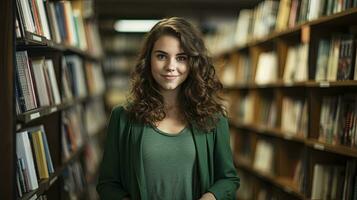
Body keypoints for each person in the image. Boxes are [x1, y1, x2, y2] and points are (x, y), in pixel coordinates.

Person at [96, 17, 240, 200]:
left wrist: (210, 197)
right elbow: (107, 184)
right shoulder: (123, 116)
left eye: (181, 58)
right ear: (148, 60)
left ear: (193, 63)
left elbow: (228, 180)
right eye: (161, 56)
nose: (171, 67)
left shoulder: (214, 118)